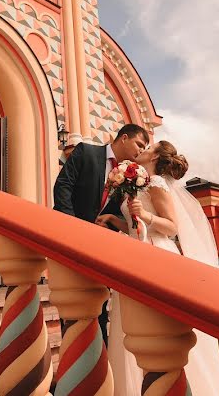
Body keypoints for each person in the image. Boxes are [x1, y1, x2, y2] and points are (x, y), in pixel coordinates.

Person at [98, 140, 219, 395]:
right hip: (135, 252)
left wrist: (144, 215)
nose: (142, 150)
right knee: (134, 325)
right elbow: (138, 229)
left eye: (148, 147)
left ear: (155, 157)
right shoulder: (140, 184)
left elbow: (171, 227)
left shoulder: (155, 183)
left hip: (156, 253)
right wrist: (115, 219)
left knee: (156, 325)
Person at [53, 123, 150, 343]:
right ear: (124, 138)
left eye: (144, 149)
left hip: (103, 246)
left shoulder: (131, 175)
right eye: (139, 145)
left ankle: (99, 362)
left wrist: (110, 226)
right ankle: (73, 361)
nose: (140, 152)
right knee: (71, 302)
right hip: (70, 239)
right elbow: (63, 186)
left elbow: (118, 211)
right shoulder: (86, 152)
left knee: (100, 304)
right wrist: (75, 227)